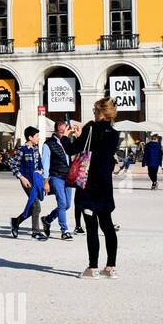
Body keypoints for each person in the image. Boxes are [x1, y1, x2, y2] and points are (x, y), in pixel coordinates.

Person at [78, 98, 122, 279]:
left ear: (102, 112)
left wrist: (67, 137)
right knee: (107, 225)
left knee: (91, 227)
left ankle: (92, 267)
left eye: (95, 110)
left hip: (89, 184)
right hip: (105, 185)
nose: (94, 113)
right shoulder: (114, 133)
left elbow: (73, 148)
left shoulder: (90, 129)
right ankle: (111, 267)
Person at [8, 126, 47, 240]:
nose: (38, 138)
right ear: (30, 137)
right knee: (36, 206)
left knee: (33, 206)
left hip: (36, 180)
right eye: (37, 136)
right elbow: (13, 164)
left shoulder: (35, 148)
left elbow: (39, 163)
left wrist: (41, 170)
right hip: (27, 182)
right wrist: (21, 178)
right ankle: (35, 232)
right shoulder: (22, 150)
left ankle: (16, 221)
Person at [40, 121, 74, 240]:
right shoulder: (48, 144)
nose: (63, 133)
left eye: (65, 130)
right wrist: (46, 181)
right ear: (56, 130)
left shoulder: (67, 142)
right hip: (56, 176)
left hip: (68, 177)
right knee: (62, 203)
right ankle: (64, 231)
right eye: (61, 131)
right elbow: (45, 164)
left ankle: (47, 219)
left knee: (68, 204)